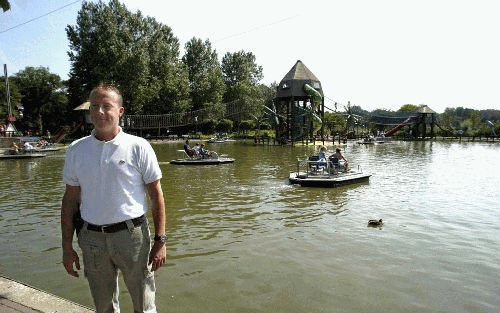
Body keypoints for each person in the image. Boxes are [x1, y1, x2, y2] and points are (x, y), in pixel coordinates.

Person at [61, 84, 167, 313]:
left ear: (120, 111)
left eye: (106, 106)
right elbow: (69, 201)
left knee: (145, 304)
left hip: (132, 237)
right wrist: (66, 246)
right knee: (104, 306)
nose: (99, 112)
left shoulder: (139, 147)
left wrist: (160, 241)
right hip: (92, 238)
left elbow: (156, 195)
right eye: (95, 106)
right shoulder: (76, 150)